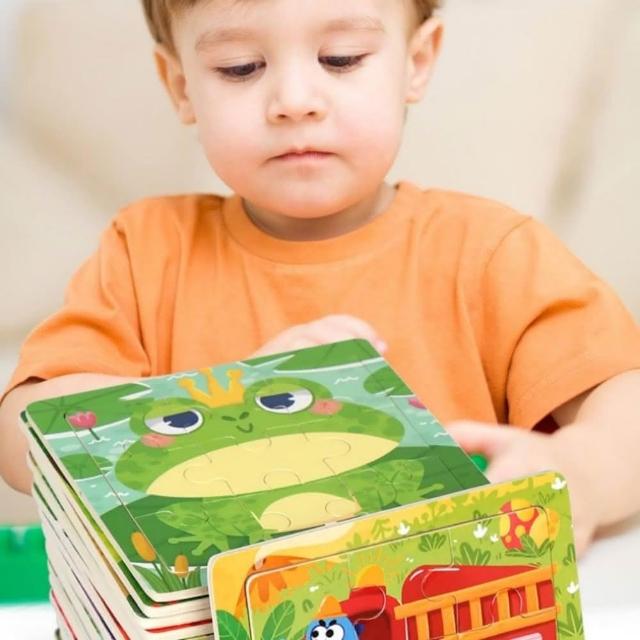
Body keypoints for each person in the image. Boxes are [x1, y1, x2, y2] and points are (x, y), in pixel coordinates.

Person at [1, 0, 639, 556]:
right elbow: (23, 436)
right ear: (181, 86)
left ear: (416, 62)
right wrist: (226, 404)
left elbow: (627, 403)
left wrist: (577, 473)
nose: (294, 102)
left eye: (341, 58)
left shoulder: (492, 251)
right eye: (241, 68)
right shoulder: (147, 250)